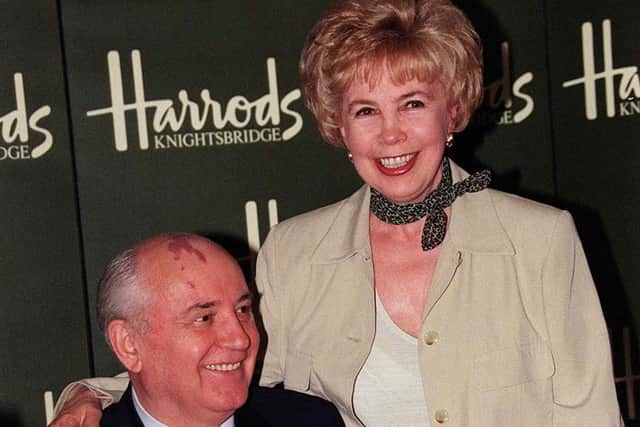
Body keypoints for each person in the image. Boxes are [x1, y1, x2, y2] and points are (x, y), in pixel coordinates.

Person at [51, 1, 622, 426]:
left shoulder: (541, 241)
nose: (390, 133)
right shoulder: (296, 251)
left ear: (454, 112)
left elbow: (590, 413)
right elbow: (230, 364)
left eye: (413, 104)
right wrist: (96, 394)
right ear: (339, 127)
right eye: (366, 110)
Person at [50, 233, 344, 427]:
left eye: (243, 310)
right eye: (204, 318)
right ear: (129, 344)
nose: (240, 338)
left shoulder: (311, 420)